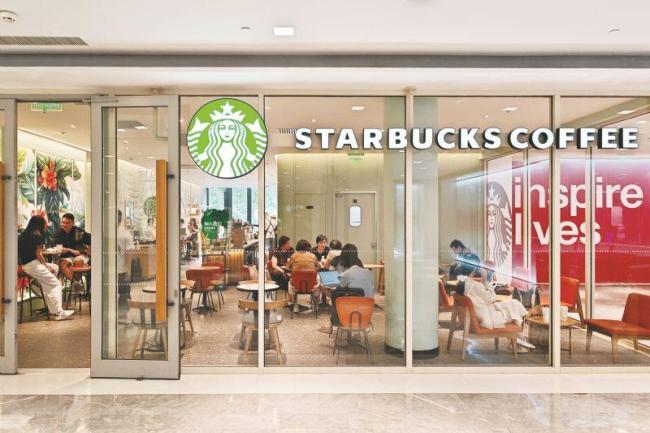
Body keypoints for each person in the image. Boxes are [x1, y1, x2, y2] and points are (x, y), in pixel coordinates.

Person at [455, 263, 535, 350]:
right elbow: (491, 297)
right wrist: (485, 280)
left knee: (513, 304)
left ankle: (517, 338)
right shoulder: (474, 285)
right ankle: (517, 339)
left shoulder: (462, 284)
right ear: (473, 271)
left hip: (479, 314)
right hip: (485, 319)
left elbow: (482, 299)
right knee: (513, 310)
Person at [18, 216, 75, 321]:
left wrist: (46, 266)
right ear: (40, 225)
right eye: (44, 225)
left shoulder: (23, 235)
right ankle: (59, 312)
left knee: (55, 267)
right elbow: (39, 255)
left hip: (27, 265)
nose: (46, 227)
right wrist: (45, 265)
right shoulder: (37, 236)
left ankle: (42, 285)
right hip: (33, 265)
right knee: (56, 284)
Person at [319, 243, 373, 334]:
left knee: (335, 296)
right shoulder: (362, 266)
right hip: (367, 308)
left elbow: (336, 283)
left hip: (347, 304)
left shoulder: (340, 265)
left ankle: (331, 325)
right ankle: (357, 331)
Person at [54, 213, 90, 282]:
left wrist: (89, 252)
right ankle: (76, 283)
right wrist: (71, 250)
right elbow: (57, 247)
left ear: (73, 223)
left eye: (67, 223)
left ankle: (76, 284)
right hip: (66, 257)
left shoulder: (79, 232)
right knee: (63, 264)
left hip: (80, 255)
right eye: (63, 222)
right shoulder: (58, 233)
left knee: (77, 261)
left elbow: (91, 241)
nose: (64, 225)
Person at [287, 239, 321, 312]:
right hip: (312, 285)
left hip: (296, 286)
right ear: (308, 247)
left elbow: (287, 267)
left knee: (290, 283)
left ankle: (294, 305)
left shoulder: (293, 255)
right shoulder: (313, 256)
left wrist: (294, 269)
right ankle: (316, 305)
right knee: (318, 280)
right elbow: (319, 267)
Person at [117, 210, 134, 319]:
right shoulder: (104, 232)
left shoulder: (124, 233)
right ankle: (121, 312)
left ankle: (122, 312)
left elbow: (129, 253)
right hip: (113, 268)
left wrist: (128, 269)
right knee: (123, 291)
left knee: (123, 291)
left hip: (121, 268)